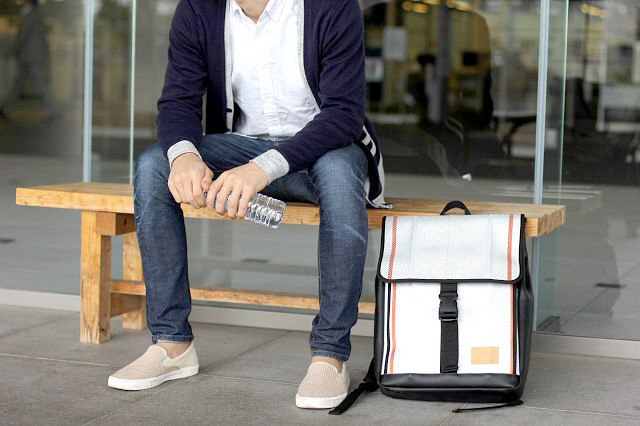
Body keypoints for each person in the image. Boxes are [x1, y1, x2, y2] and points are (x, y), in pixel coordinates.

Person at [107, 0, 388, 410]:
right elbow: (178, 102)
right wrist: (184, 156)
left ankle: (330, 355)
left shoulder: (331, 5)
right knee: (154, 164)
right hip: (242, 149)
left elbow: (344, 114)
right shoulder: (199, 9)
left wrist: (261, 170)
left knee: (340, 177)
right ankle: (171, 344)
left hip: (325, 151)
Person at [1, 0, 60, 121]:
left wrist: (11, 51)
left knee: (40, 84)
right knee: (18, 85)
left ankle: (56, 111)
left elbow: (22, 36)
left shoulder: (30, 16)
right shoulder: (36, 15)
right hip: (30, 57)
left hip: (30, 58)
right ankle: (5, 109)